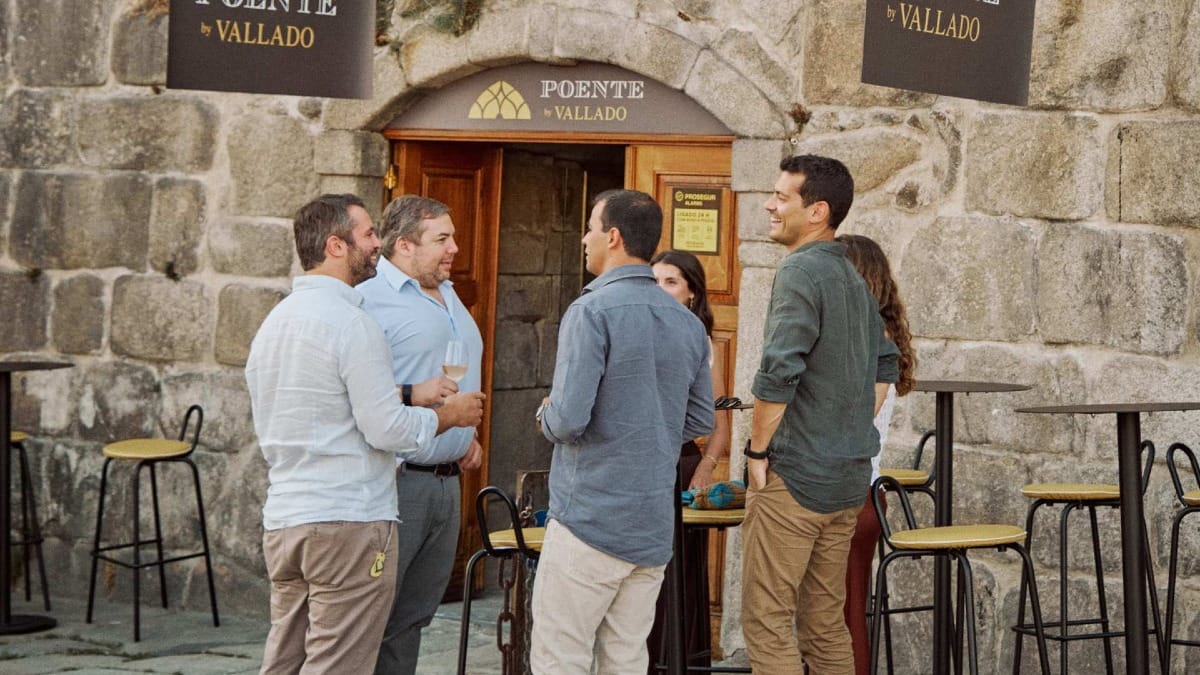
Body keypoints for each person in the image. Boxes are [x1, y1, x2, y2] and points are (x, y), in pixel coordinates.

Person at [245, 193, 485, 674]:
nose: (378, 244)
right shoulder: (355, 320)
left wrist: (410, 393)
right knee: (341, 662)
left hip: (290, 513)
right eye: (369, 234)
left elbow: (326, 399)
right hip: (349, 515)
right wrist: (447, 417)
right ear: (336, 245)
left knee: (288, 657)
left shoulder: (275, 322)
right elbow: (384, 428)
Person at [530, 189, 715, 674]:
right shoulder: (687, 323)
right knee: (627, 658)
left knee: (560, 658)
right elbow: (699, 421)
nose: (584, 238)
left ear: (612, 237)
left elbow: (568, 419)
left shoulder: (591, 310)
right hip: (650, 522)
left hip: (589, 515)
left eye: (590, 227)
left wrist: (544, 414)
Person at [741, 156, 899, 675]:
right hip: (844, 480)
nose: (769, 203)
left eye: (783, 196)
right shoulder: (850, 276)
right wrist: (848, 430)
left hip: (797, 477)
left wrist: (757, 451)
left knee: (767, 622)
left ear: (818, 212)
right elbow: (886, 362)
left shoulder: (801, 270)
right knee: (826, 626)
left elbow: (778, 373)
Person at [356, 195, 485, 675]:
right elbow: (357, 394)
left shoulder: (446, 290)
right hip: (399, 480)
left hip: (447, 481)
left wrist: (463, 437)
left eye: (453, 236)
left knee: (412, 619)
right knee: (374, 618)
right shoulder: (369, 299)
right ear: (404, 245)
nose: (455, 247)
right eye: (442, 239)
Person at [646, 249, 732, 670]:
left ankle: (681, 662)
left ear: (692, 294)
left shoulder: (702, 343)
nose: (660, 290)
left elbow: (719, 418)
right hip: (640, 463)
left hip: (680, 462)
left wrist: (705, 465)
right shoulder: (638, 334)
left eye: (671, 282)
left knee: (678, 576)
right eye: (654, 281)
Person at [837, 233, 918, 675]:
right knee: (831, 615)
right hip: (850, 490)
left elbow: (856, 415)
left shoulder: (873, 338)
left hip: (854, 491)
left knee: (844, 617)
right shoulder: (864, 334)